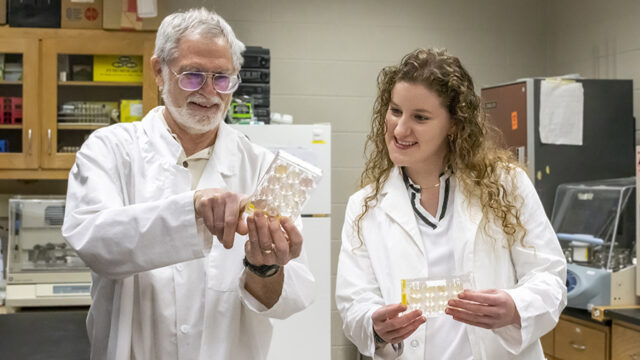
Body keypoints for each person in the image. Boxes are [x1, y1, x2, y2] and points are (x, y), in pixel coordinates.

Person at [62, 8, 314, 360]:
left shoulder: (261, 168)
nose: (209, 92)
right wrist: (192, 209)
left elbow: (290, 298)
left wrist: (264, 268)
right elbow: (93, 240)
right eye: (193, 75)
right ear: (159, 72)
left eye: (222, 78)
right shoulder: (111, 150)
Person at [335, 48, 567, 359]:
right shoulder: (365, 205)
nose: (400, 129)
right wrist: (374, 326)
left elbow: (550, 276)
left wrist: (515, 307)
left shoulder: (505, 184)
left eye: (420, 117)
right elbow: (353, 301)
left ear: (454, 124)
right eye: (394, 111)